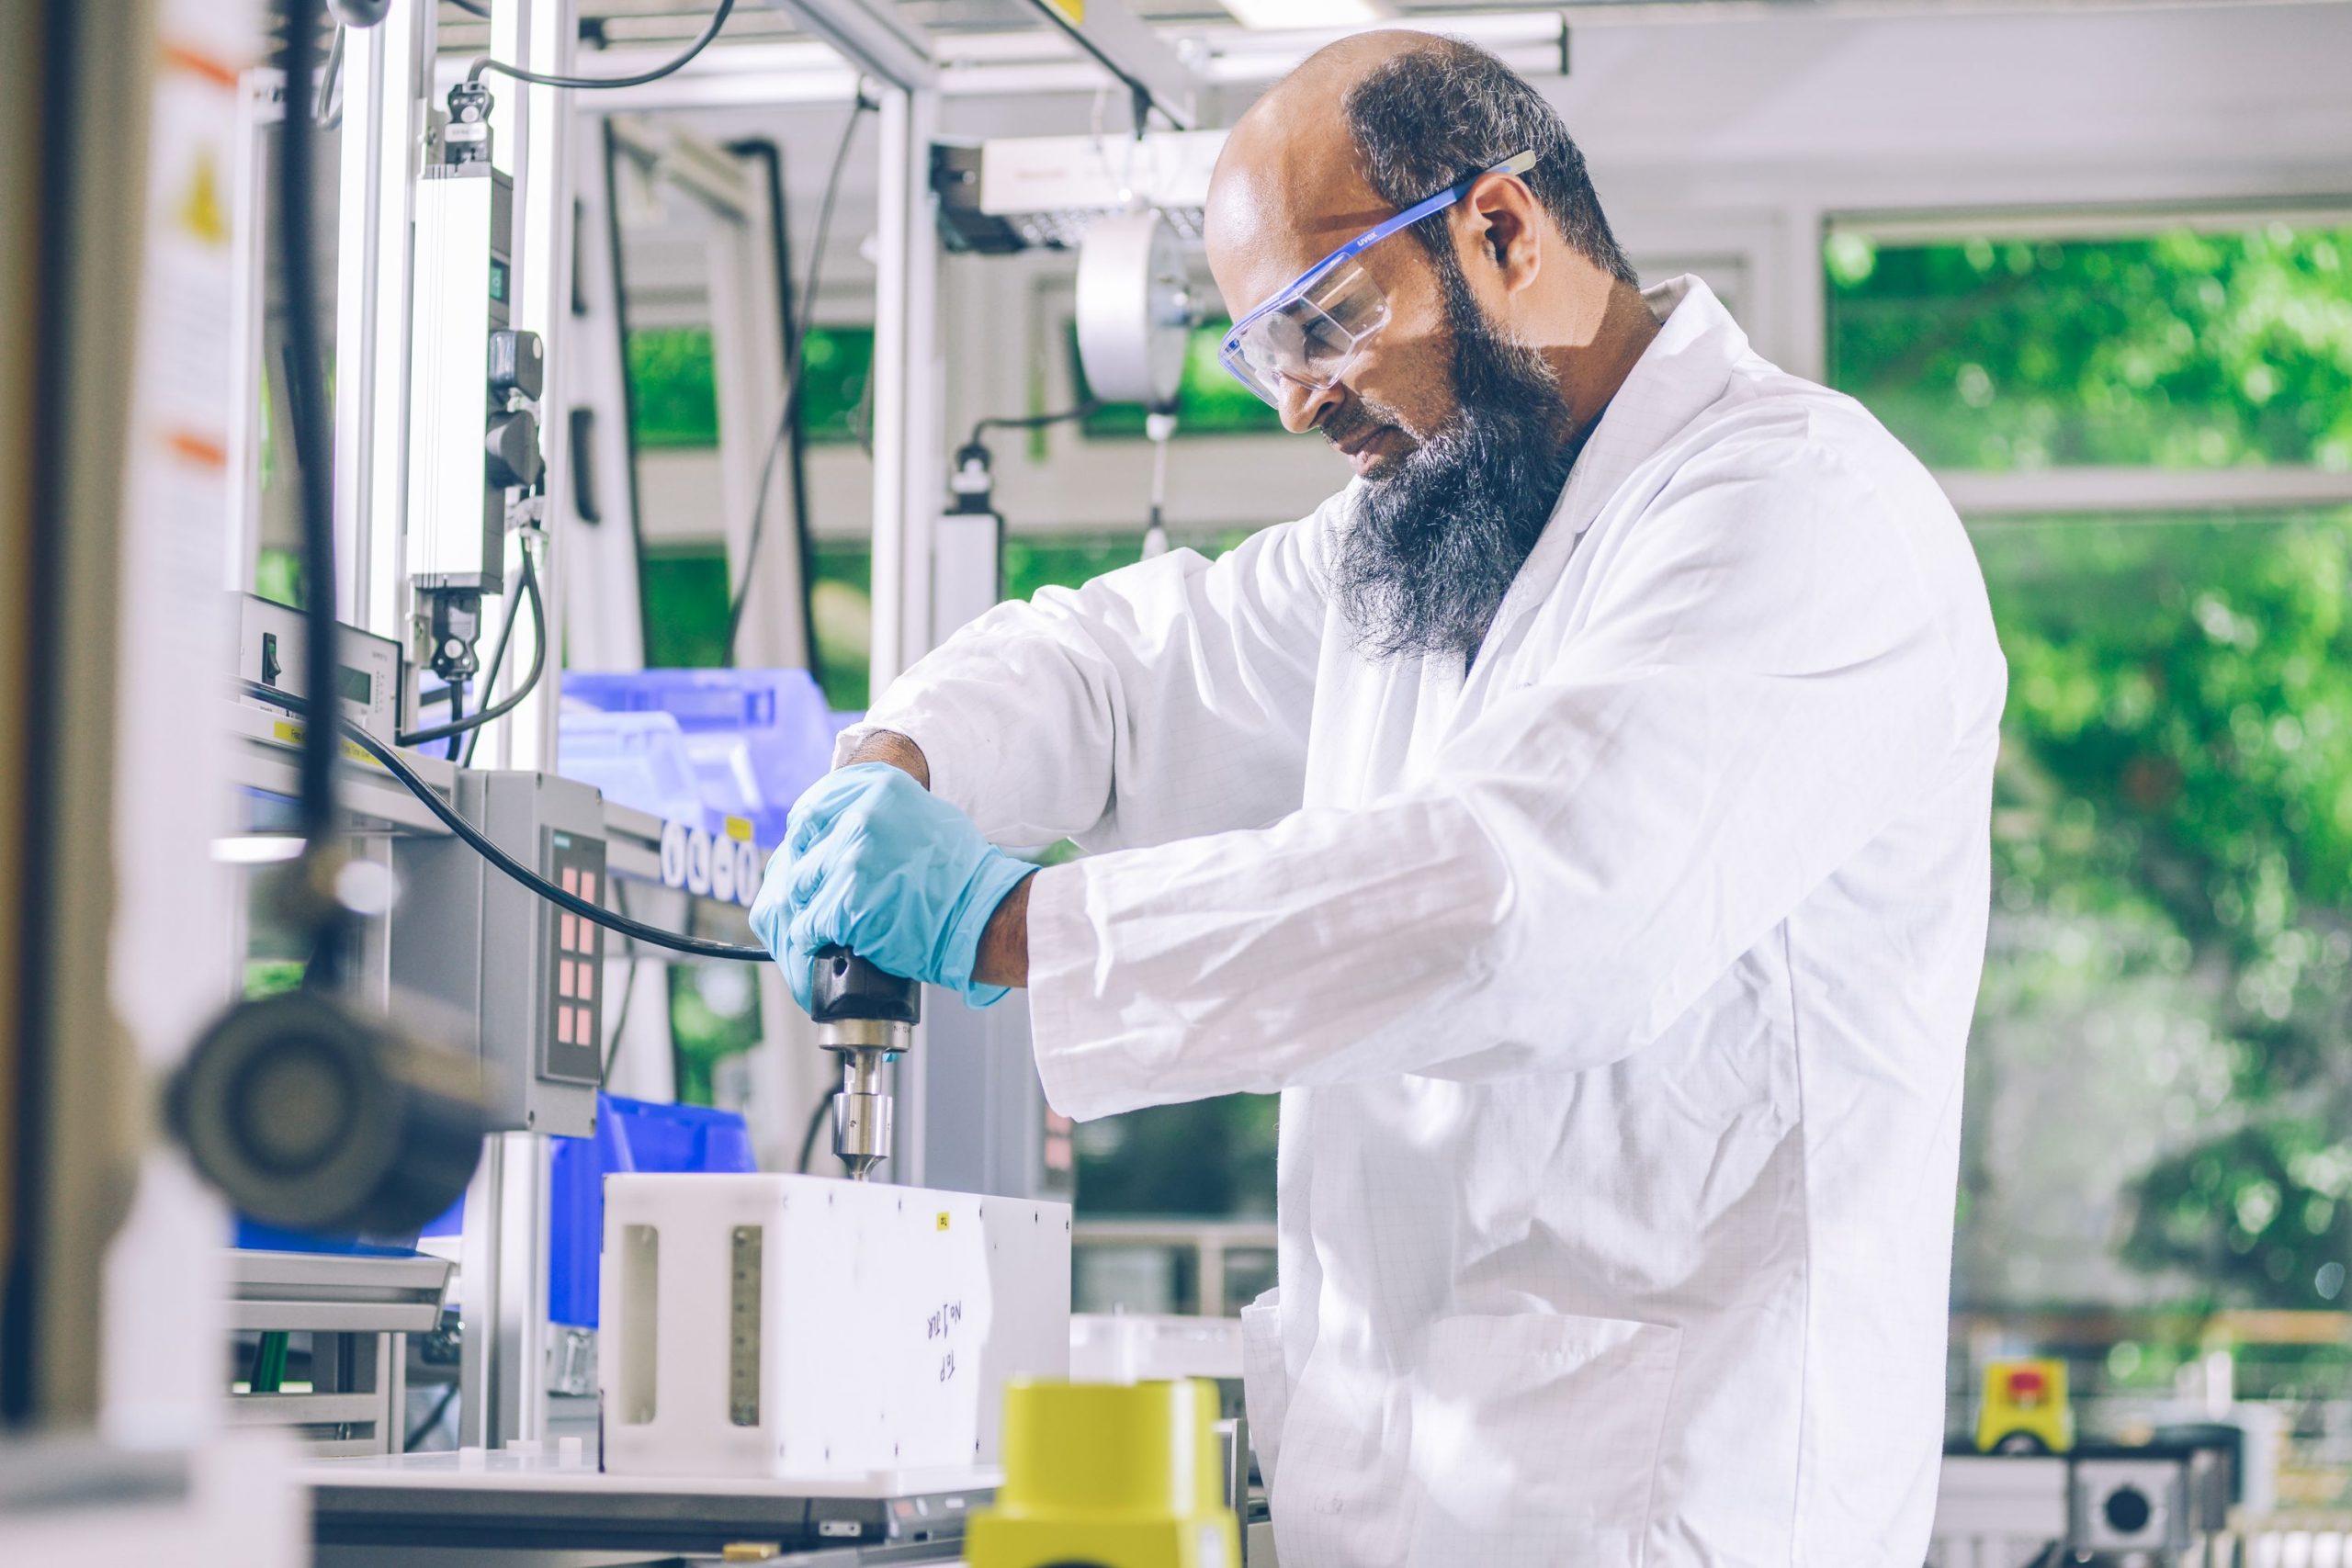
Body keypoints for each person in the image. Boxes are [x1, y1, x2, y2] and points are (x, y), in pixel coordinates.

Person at [752, 29, 2006, 1565]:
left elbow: (1526, 910)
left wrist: (1016, 926)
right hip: (1402, 1499)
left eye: (1326, 324)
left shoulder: (1799, 510)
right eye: (1264, 355)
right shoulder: (1428, 535)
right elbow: (1130, 657)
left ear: (1500, 230)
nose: (1298, 404)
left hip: (1671, 1505)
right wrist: (904, 760)